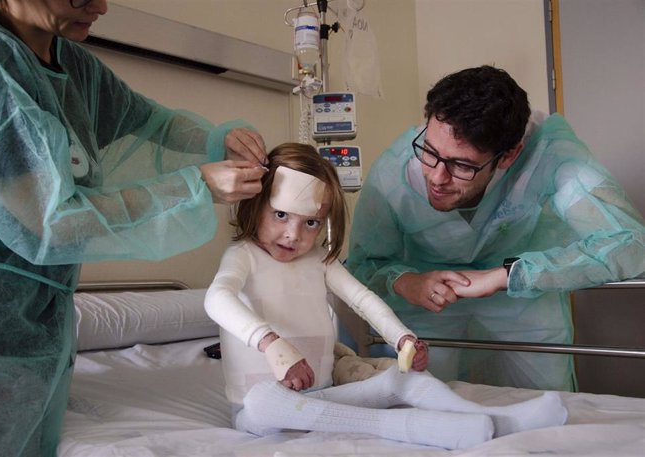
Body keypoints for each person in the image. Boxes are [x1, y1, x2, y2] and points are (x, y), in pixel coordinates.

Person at [0, 1, 269, 455]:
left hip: (41, 323)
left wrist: (215, 140)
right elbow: (50, 223)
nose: (100, 6)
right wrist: (193, 186)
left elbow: (150, 122)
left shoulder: (72, 64)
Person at [204, 143, 567, 450]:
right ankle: (420, 429)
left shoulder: (318, 261)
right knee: (262, 400)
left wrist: (401, 339)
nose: (293, 234)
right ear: (255, 205)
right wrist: (272, 345)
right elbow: (217, 299)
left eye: (310, 222)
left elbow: (363, 300)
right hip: (260, 413)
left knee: (401, 379)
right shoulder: (244, 256)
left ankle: (505, 420)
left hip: (319, 397)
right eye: (280, 215)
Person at [346, 65, 645, 392]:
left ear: (509, 155)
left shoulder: (551, 156)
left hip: (520, 295)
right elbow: (363, 264)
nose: (436, 177)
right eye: (430, 152)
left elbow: (631, 244)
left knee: (549, 403)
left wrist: (508, 275)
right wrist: (406, 282)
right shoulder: (393, 174)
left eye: (461, 165)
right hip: (426, 297)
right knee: (421, 397)